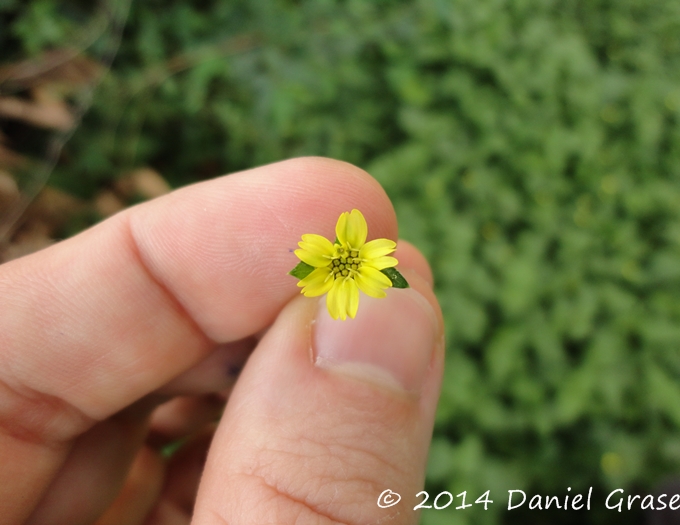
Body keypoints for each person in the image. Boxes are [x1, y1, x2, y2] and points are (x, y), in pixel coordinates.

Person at [0, 157, 444, 525]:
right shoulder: (327, 266)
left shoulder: (348, 265)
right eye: (344, 260)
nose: (347, 261)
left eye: (349, 260)